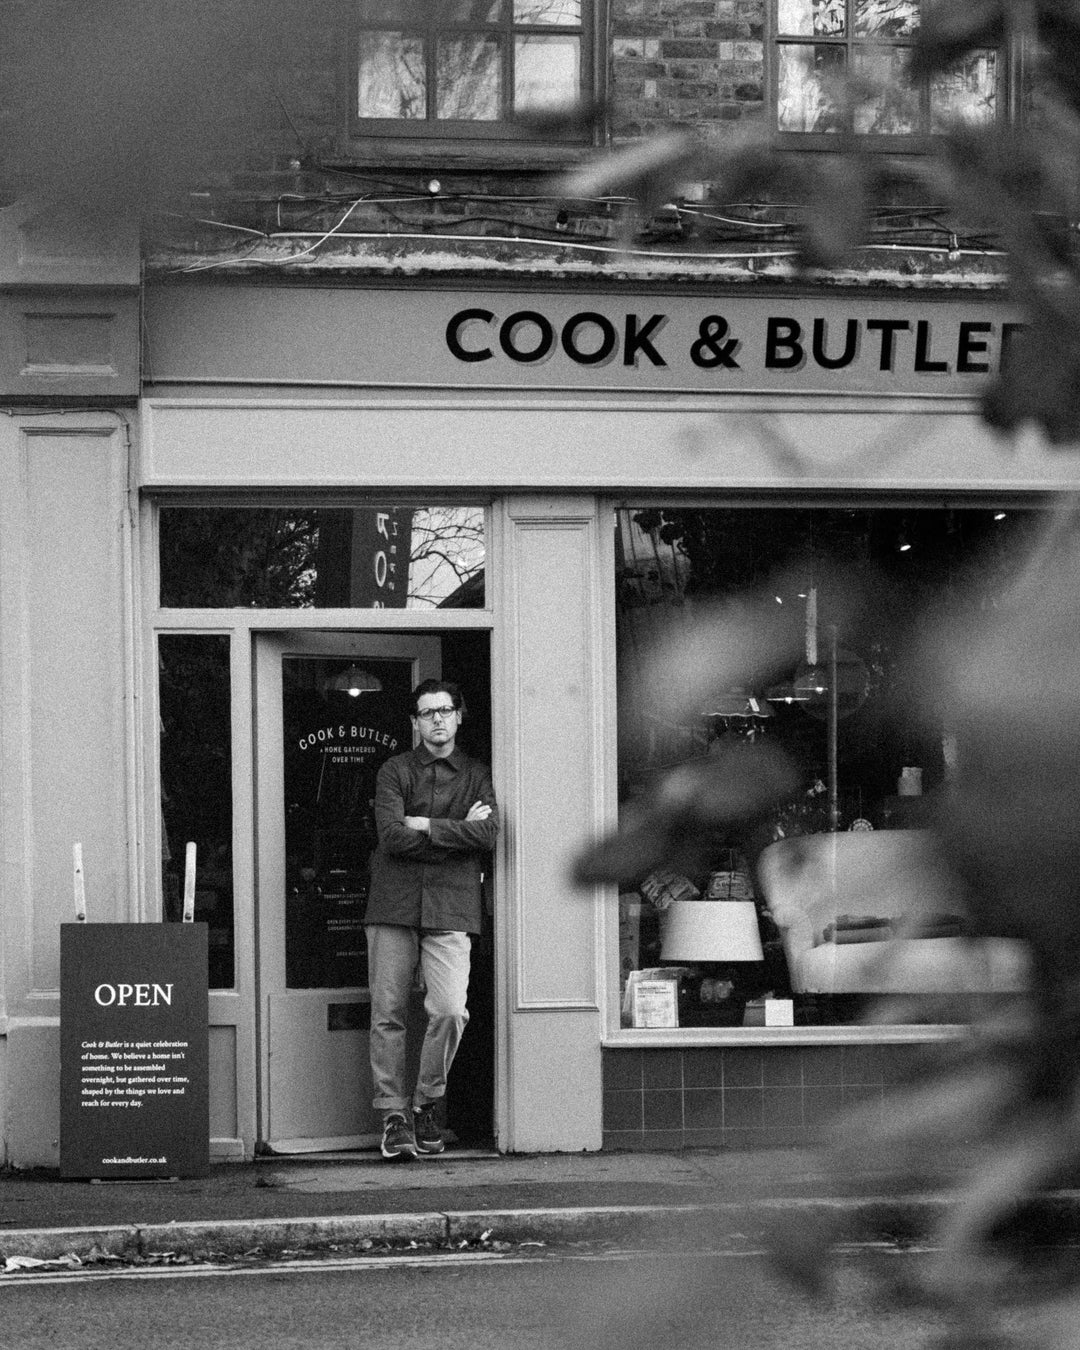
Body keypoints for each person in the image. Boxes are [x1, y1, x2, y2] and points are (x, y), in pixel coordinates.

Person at [364, 678, 499, 1160]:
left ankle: (428, 1102)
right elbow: (391, 837)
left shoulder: (477, 773)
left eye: (444, 710)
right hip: (394, 905)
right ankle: (394, 1115)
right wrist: (455, 831)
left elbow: (488, 833)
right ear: (415, 722)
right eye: (427, 713)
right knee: (389, 1014)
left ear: (459, 716)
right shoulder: (394, 771)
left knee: (448, 1009)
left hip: (451, 906)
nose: (437, 719)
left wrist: (426, 825)